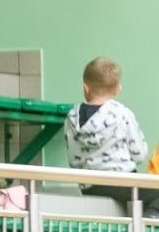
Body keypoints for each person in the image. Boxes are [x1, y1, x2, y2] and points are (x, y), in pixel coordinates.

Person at [64, 57, 159, 215]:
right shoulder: (121, 114)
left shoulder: (71, 117)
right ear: (117, 88)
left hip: (89, 187)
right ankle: (150, 221)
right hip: (121, 183)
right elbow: (139, 154)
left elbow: (73, 159)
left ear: (85, 88)